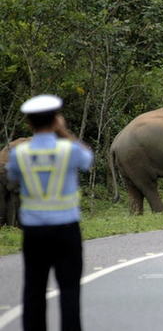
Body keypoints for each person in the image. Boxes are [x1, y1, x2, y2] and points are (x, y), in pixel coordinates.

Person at [6, 95, 93, 331]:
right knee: (69, 289)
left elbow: (12, 176)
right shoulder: (69, 150)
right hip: (66, 229)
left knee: (34, 289)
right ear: (56, 120)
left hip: (34, 232)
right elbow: (87, 160)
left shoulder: (19, 153)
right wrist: (64, 134)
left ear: (28, 124)